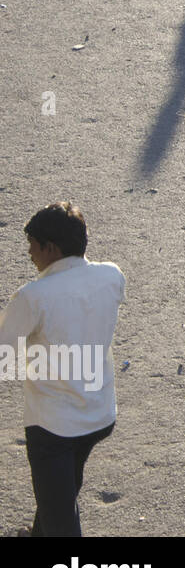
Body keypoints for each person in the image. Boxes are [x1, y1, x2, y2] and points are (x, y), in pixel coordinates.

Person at [0, 203, 123, 536]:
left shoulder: (33, 296)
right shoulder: (112, 275)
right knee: (59, 492)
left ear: (50, 248)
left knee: (62, 522)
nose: (29, 253)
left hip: (53, 427)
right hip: (98, 414)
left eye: (33, 245)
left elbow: (2, 356)